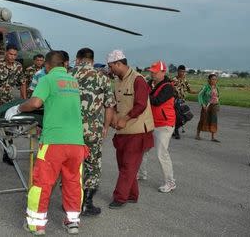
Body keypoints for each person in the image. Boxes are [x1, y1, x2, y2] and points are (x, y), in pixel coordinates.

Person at [5, 51, 87, 235]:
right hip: (77, 143)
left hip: (54, 142)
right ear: (64, 65)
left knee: (42, 182)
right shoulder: (73, 82)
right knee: (73, 181)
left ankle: (36, 225)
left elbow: (35, 103)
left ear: (47, 66)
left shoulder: (48, 79)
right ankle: (73, 222)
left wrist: (17, 108)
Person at [107, 50, 154, 209]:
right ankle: (132, 195)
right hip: (123, 131)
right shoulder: (118, 81)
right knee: (124, 165)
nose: (110, 69)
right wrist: (114, 118)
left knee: (128, 165)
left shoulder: (138, 79)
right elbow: (115, 103)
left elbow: (141, 104)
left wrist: (124, 119)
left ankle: (120, 198)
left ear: (119, 63)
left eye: (111, 66)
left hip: (138, 131)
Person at [70, 48, 115, 216]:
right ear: (92, 59)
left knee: (70, 165)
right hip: (93, 131)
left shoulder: (68, 76)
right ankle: (86, 203)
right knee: (92, 165)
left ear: (78, 58)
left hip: (70, 130)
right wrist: (105, 127)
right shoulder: (102, 77)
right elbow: (109, 106)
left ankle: (70, 202)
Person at [138, 61, 177, 193]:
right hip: (151, 122)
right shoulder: (150, 83)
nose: (152, 74)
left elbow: (156, 101)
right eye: (151, 71)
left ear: (163, 72)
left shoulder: (168, 87)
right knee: (143, 149)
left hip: (164, 124)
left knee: (162, 153)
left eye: (155, 72)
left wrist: (143, 94)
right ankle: (141, 174)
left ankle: (170, 182)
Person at [0, 44, 26, 165]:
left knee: (9, 129)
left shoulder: (18, 67)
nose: (12, 57)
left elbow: (22, 83)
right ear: (6, 53)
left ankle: (8, 154)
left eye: (15, 55)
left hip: (8, 101)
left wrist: (24, 99)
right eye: (10, 54)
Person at [171, 65, 197, 139]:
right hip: (174, 101)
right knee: (178, 117)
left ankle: (175, 129)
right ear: (178, 71)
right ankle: (176, 132)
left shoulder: (185, 80)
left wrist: (198, 92)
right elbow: (169, 89)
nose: (182, 73)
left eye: (183, 71)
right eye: (181, 71)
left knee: (188, 116)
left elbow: (189, 90)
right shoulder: (173, 80)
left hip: (182, 101)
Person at [196, 74, 220, 142]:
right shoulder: (205, 87)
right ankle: (197, 135)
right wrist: (202, 104)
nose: (214, 81)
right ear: (209, 80)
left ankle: (212, 137)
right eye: (213, 79)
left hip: (214, 106)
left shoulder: (216, 88)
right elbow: (200, 95)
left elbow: (218, 97)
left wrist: (218, 105)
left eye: (215, 79)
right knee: (203, 119)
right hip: (206, 106)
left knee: (213, 120)